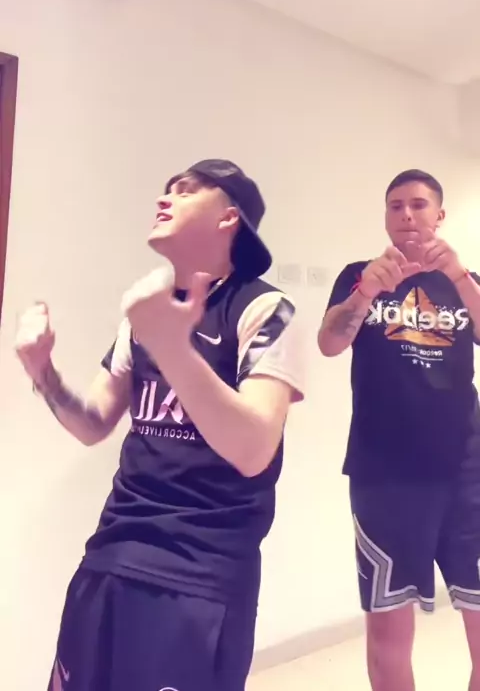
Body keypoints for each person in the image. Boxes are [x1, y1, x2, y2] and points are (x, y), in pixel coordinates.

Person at [15, 159, 304, 691]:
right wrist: (43, 373)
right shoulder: (145, 317)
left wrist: (172, 347)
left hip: (200, 574)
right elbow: (94, 422)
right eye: (167, 189)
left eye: (186, 190)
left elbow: (253, 449)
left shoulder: (266, 308)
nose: (164, 198)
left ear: (229, 217)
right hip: (111, 553)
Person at [317, 168, 480, 691]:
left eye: (418, 204)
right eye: (395, 206)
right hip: (384, 473)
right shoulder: (358, 276)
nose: (406, 215)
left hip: (466, 471)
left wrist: (460, 277)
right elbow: (329, 342)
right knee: (388, 635)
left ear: (440, 214)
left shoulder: (466, 281)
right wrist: (366, 291)